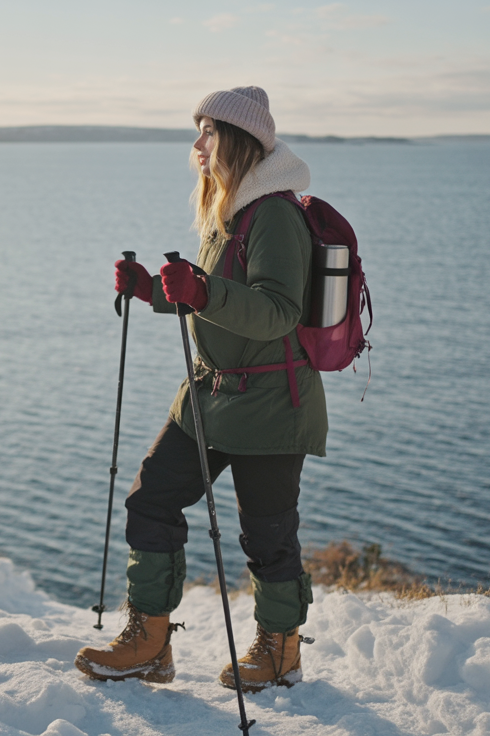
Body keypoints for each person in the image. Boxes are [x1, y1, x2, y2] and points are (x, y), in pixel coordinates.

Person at [75, 86, 325, 692]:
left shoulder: (275, 215)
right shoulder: (232, 209)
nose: (197, 145)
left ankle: (280, 650)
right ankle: (150, 644)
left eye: (207, 132)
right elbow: (210, 293)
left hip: (271, 406)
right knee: (151, 499)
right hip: (209, 398)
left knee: (267, 535)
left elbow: (277, 312)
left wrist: (202, 291)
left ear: (236, 141)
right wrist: (151, 289)